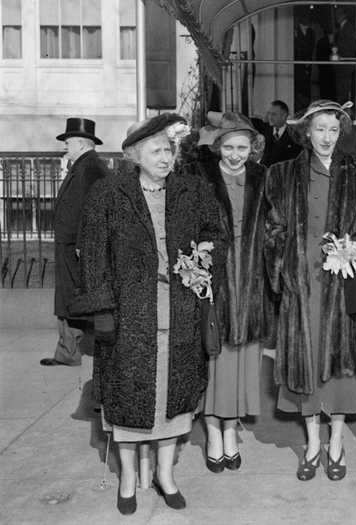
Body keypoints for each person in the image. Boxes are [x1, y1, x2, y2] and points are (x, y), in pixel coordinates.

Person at [70, 114, 221, 515]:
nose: (166, 157)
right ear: (135, 155)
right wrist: (101, 308)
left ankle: (165, 474)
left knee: (174, 399)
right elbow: (93, 256)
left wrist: (202, 258)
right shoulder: (108, 194)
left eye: (169, 149)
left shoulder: (192, 190)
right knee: (129, 399)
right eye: (156, 150)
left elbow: (214, 233)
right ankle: (128, 477)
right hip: (129, 315)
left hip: (180, 312)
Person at [264, 100, 356, 482]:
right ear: (305, 131)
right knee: (307, 364)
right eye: (319, 129)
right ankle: (312, 443)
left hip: (345, 283)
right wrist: (286, 270)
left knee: (341, 370)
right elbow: (272, 231)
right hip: (303, 286)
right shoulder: (281, 174)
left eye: (333, 130)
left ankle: (336, 442)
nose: (326, 137)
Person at [192, 111, 275, 473]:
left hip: (252, 281)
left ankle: (231, 428)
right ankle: (213, 431)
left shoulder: (262, 177)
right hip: (217, 281)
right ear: (218, 147)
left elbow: (274, 226)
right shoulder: (201, 179)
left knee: (243, 360)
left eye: (243, 147)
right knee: (216, 357)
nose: (236, 154)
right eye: (229, 147)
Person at [40, 118, 110, 367]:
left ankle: (71, 351)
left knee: (74, 297)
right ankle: (68, 351)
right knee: (70, 297)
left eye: (68, 143)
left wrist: (84, 242)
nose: (65, 148)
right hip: (71, 244)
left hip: (76, 246)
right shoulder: (84, 164)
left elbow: (95, 208)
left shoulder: (90, 167)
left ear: (81, 144)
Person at [260, 100, 302, 167]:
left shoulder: (294, 135)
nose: (270, 117)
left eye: (274, 114)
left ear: (284, 116)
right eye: (269, 113)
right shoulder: (264, 130)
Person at [333, 7, 356, 105]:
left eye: (338, 14)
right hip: (341, 65)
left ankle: (343, 113)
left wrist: (337, 48)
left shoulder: (348, 28)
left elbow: (353, 47)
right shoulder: (341, 28)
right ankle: (342, 111)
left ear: (343, 15)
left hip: (345, 65)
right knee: (341, 91)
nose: (336, 17)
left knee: (343, 92)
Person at [294, 14, 315, 113]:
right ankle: (299, 107)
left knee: (306, 85)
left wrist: (309, 61)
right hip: (297, 63)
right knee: (298, 84)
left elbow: (311, 47)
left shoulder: (311, 32)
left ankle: (306, 107)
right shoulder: (295, 31)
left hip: (308, 63)